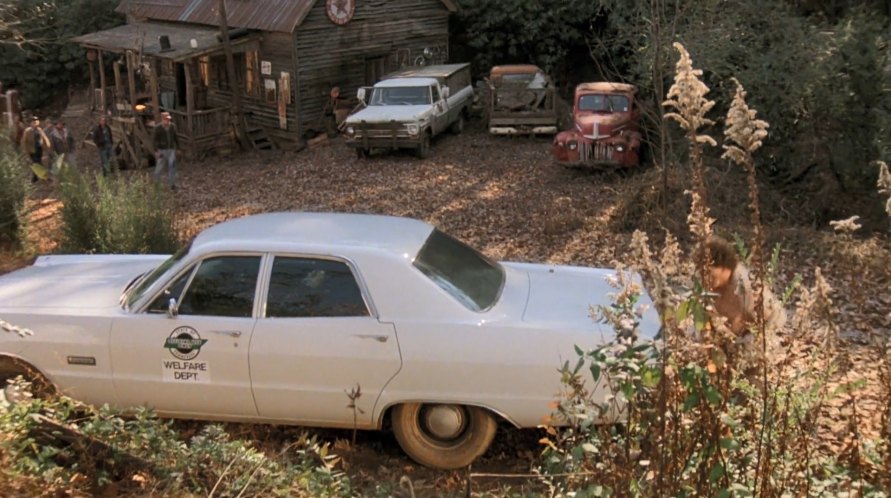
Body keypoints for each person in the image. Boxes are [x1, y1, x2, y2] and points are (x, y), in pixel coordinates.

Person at [706, 237, 786, 337]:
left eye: (710, 273)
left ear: (724, 268)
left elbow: (748, 319)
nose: (706, 277)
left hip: (766, 328)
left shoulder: (743, 282)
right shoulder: (708, 284)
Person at [19, 116, 50, 183]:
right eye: (33, 122)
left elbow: (44, 137)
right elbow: (24, 141)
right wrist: (26, 151)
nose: (35, 123)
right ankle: (40, 178)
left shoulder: (39, 130)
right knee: (37, 163)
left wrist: (47, 145)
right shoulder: (27, 131)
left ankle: (36, 178)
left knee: (37, 163)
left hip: (39, 149)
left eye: (36, 121)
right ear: (31, 123)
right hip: (32, 150)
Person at [153, 111, 178, 190]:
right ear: (162, 119)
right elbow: (154, 140)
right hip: (162, 150)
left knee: (172, 166)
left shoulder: (172, 126)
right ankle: (156, 183)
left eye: (168, 119)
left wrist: (178, 147)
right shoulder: (158, 128)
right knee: (159, 167)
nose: (168, 121)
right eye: (166, 119)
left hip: (171, 149)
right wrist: (156, 150)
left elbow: (175, 137)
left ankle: (172, 184)